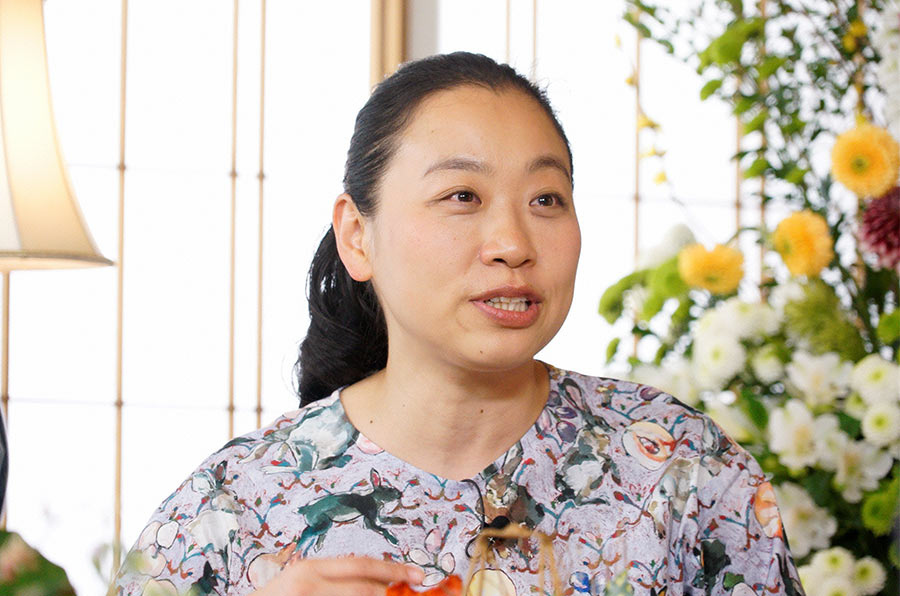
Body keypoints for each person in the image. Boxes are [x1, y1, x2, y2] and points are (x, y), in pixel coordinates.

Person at [112, 52, 805, 596]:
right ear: (357, 235)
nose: (512, 243)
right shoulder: (232, 507)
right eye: (462, 195)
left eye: (546, 199)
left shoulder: (681, 469)